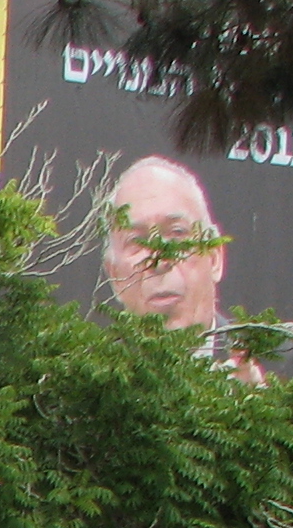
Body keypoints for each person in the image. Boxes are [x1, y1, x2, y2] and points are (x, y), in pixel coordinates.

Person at [102, 158, 266, 384]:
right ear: (114, 276)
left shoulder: (285, 365)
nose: (159, 260)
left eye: (177, 233)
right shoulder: (84, 386)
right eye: (137, 242)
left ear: (215, 257)